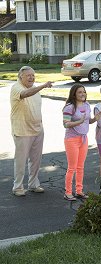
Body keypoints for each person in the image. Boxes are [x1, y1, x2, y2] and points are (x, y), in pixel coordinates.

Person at [10, 66, 52, 196]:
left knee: (36, 160)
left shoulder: (34, 89)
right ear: (20, 76)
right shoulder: (16, 88)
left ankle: (34, 184)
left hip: (37, 130)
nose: (31, 78)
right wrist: (43, 86)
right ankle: (18, 187)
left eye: (33, 75)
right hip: (22, 130)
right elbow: (25, 94)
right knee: (21, 161)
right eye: (28, 75)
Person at [63, 84, 101, 201]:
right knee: (72, 167)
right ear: (74, 94)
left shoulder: (86, 105)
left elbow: (88, 121)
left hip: (83, 139)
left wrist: (96, 118)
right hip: (72, 140)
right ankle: (68, 192)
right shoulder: (69, 107)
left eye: (84, 92)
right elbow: (65, 124)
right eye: (80, 92)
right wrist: (79, 121)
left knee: (80, 166)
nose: (83, 94)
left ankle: (79, 191)